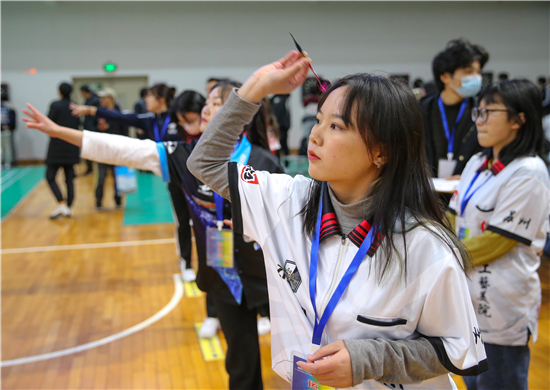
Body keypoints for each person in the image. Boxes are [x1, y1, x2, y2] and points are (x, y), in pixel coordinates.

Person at [186, 51, 488, 389]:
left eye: (336, 126)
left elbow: (460, 350)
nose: (315, 136)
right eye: (318, 120)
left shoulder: (425, 246)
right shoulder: (289, 200)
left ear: (381, 152)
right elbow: (205, 163)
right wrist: (254, 89)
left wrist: (368, 359)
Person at [22, 80, 282, 390]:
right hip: (223, 274)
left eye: (215, 104)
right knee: (240, 364)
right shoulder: (186, 156)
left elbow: (284, 226)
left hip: (270, 276)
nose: (205, 109)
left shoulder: (264, 163)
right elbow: (126, 150)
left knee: (297, 355)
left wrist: (250, 229)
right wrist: (61, 132)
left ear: (237, 114)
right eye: (207, 102)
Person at [446, 79, 549, 390]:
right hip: (470, 298)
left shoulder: (529, 171)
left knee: (500, 381)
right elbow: (451, 215)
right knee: (475, 383)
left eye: (489, 112)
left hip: (503, 302)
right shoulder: (478, 162)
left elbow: (498, 241)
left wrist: (442, 256)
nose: (480, 120)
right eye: (479, 111)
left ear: (519, 119)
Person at [422, 38, 490, 179]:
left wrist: (471, 175)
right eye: (468, 71)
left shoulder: (482, 110)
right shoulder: (421, 109)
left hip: (466, 188)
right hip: (426, 189)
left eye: (478, 72)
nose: (476, 77)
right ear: (446, 77)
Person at [45, 82, 81, 219]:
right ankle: (67, 206)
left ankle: (61, 203)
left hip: (56, 147)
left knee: (50, 176)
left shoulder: (55, 105)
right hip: (71, 146)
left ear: (59, 92)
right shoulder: (74, 106)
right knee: (69, 179)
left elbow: (49, 124)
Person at [95, 88, 127, 210]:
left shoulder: (119, 114)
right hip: (102, 151)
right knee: (101, 177)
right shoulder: (98, 113)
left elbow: (124, 131)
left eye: (104, 97)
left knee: (117, 177)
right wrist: (100, 128)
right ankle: (98, 202)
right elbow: (90, 129)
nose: (101, 100)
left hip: (116, 150)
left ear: (111, 99)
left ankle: (118, 201)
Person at [79, 85, 99, 175]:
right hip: (89, 127)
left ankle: (96, 169)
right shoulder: (89, 100)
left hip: (93, 128)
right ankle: (90, 168)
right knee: (87, 149)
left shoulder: (94, 100)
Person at [1, 94, 16, 169]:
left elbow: (11, 120)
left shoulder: (7, 109)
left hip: (6, 131)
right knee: (2, 148)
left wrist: (8, 126)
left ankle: (7, 163)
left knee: (7, 148)